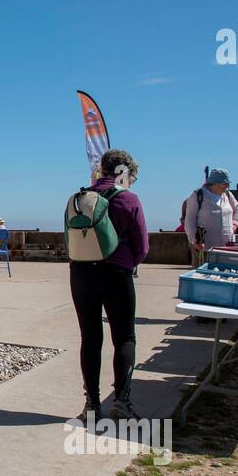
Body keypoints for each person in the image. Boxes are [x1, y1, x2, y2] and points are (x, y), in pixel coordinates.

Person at [70, 149, 149, 420]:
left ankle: (91, 404)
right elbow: (142, 246)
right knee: (124, 337)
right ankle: (122, 403)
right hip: (116, 273)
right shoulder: (128, 199)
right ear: (124, 173)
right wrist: (128, 262)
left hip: (81, 273)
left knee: (90, 338)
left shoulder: (79, 198)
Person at [182, 168, 238, 267]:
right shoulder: (198, 195)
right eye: (224, 183)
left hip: (225, 247)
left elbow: (237, 210)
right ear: (214, 184)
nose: (227, 186)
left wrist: (235, 223)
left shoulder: (227, 194)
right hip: (204, 247)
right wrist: (193, 239)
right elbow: (189, 219)